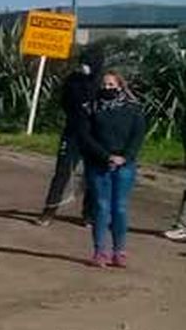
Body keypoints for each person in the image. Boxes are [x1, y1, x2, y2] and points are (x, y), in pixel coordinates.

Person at [77, 70, 146, 267]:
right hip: (99, 164)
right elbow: (85, 137)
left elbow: (137, 136)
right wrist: (106, 156)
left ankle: (119, 251)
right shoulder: (90, 108)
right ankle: (100, 252)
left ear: (120, 86)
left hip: (125, 165)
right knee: (101, 207)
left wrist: (125, 157)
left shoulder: (133, 109)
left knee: (120, 208)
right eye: (104, 85)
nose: (107, 88)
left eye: (111, 85)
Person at [39, 47, 103, 225]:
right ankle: (49, 211)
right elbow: (64, 103)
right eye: (82, 62)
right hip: (73, 133)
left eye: (88, 63)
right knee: (62, 174)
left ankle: (89, 214)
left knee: (92, 176)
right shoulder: (72, 81)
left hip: (95, 136)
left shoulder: (102, 83)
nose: (84, 67)